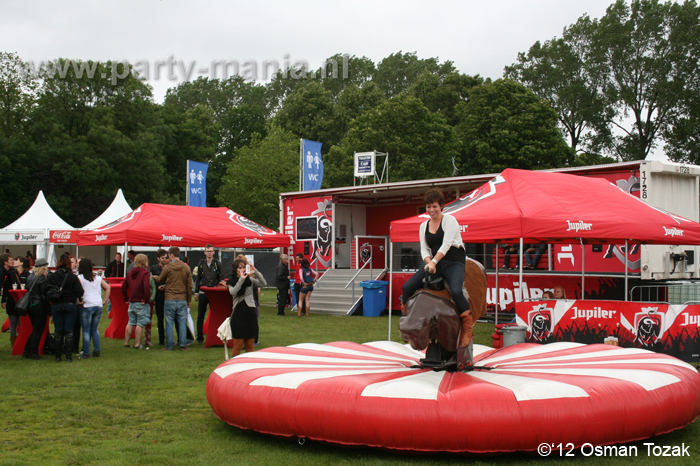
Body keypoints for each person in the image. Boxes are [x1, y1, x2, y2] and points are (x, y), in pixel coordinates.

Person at [401, 187, 470, 317]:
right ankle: (408, 321)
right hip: (436, 262)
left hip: (454, 261)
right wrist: (429, 263)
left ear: (441, 206)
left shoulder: (450, 220)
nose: (431, 210)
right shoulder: (423, 226)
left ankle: (467, 325)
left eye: (434, 206)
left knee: (456, 291)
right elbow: (424, 248)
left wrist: (433, 262)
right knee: (406, 287)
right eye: (428, 207)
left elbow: (446, 244)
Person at [43, 253, 84, 362]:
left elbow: (44, 289)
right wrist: (73, 295)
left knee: (58, 331)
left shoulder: (53, 276)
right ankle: (69, 356)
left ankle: (58, 356)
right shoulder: (72, 277)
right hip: (70, 305)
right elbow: (80, 291)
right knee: (69, 331)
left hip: (57, 305)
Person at [154, 247, 193, 351]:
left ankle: (169, 346)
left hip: (169, 298)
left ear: (171, 255)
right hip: (182, 298)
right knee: (182, 322)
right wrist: (188, 300)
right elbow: (189, 285)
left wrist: (153, 276)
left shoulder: (168, 267)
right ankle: (182, 345)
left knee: (169, 322)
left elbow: (159, 279)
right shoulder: (186, 268)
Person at [228, 258, 267, 357]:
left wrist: (256, 272)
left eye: (244, 267)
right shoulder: (231, 281)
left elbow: (263, 283)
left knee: (250, 344)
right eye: (239, 268)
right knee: (238, 345)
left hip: (250, 313)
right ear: (235, 269)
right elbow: (233, 292)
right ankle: (233, 366)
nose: (242, 269)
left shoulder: (250, 280)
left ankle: (247, 366)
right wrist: (241, 278)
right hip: (238, 314)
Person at [77, 258, 110, 358]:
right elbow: (108, 287)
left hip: (87, 304)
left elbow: (77, 290)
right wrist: (104, 300)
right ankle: (97, 350)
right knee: (94, 329)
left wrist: (78, 301)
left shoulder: (80, 277)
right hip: (98, 304)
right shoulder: (97, 277)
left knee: (86, 330)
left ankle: (86, 351)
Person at [193, 244, 224, 343]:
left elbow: (221, 278)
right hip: (203, 292)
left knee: (216, 315)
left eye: (211, 251)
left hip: (214, 293)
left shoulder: (217, 263)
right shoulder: (201, 263)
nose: (209, 253)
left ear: (214, 252)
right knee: (200, 316)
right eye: (207, 251)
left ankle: (217, 336)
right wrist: (196, 292)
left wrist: (220, 292)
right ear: (204, 252)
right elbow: (198, 278)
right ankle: (200, 337)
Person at [122, 254, 153, 350]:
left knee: (131, 322)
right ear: (144, 262)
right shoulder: (145, 273)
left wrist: (126, 298)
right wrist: (147, 299)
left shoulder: (129, 272)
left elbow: (124, 287)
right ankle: (137, 343)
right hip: (141, 301)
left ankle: (126, 342)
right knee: (140, 323)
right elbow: (146, 287)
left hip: (132, 301)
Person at [23, 258, 50, 360]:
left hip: (31, 305)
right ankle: (34, 353)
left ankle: (26, 351)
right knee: (38, 330)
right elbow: (45, 294)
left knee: (34, 330)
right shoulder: (42, 279)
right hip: (39, 306)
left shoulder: (30, 277)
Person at [3, 255, 29, 349]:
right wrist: (3, 300)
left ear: (21, 263)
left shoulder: (27, 275)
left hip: (23, 303)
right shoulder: (11, 274)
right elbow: (6, 288)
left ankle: (21, 342)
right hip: (11, 301)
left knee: (21, 323)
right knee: (13, 322)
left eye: (16, 260)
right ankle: (13, 344)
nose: (14, 261)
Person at [150, 249, 169, 346]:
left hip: (169, 295)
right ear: (158, 259)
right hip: (159, 296)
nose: (164, 260)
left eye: (165, 258)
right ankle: (161, 339)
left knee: (169, 318)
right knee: (160, 318)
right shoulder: (154, 268)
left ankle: (169, 339)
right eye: (162, 258)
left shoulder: (169, 267)